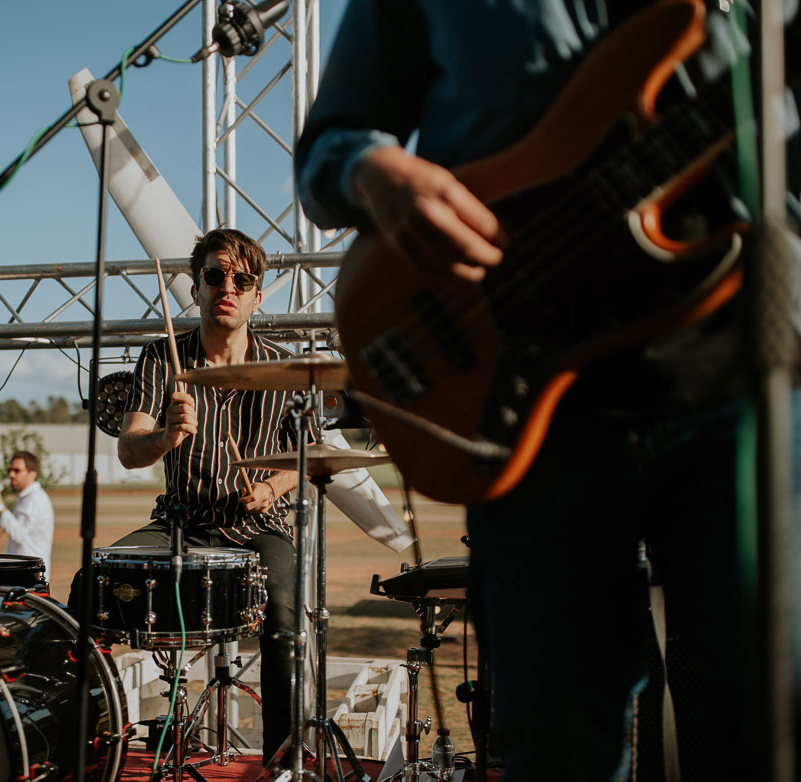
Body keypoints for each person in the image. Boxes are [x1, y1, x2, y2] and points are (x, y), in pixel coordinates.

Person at [295, 2, 799, 780]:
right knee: (555, 743)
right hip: (523, 408)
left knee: (768, 726)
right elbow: (328, 147)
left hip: (740, 382)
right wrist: (375, 172)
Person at [93, 227, 302, 765]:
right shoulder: (162, 359)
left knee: (284, 612)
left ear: (257, 295)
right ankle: (86, 744)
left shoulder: (285, 367)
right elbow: (128, 450)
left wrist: (271, 486)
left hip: (259, 526)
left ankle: (281, 761)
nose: (226, 286)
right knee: (89, 588)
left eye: (242, 279)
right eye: (214, 275)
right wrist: (163, 436)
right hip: (180, 520)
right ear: (196, 288)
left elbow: (307, 458)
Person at [0, 450, 55, 581]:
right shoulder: (26, 497)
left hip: (30, 573)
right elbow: (23, 529)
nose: (11, 474)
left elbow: (19, 534)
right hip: (23, 570)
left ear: (32, 474)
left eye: (17, 470)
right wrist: (2, 520)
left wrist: (0, 505)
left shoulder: (35, 499)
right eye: (10, 470)